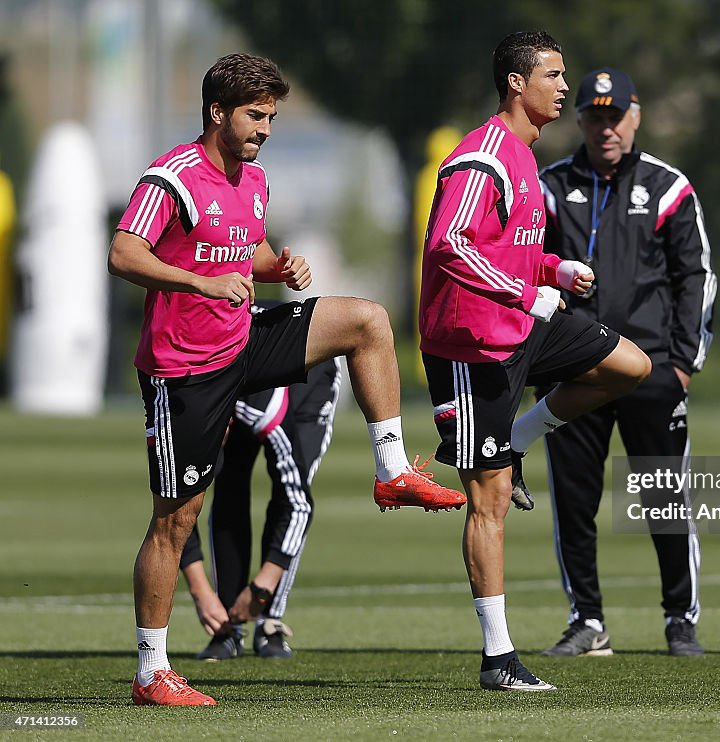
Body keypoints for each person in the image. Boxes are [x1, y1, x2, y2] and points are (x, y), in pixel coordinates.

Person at [108, 53, 467, 707]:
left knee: (366, 320)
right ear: (217, 112)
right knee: (176, 521)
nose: (265, 128)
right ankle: (150, 672)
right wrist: (198, 280)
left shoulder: (254, 181)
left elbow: (242, 249)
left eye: (272, 116)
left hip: (241, 338)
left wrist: (279, 266)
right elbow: (124, 252)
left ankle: (391, 470)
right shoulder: (173, 176)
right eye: (255, 115)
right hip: (183, 370)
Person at [419, 32, 652, 692]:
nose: (562, 85)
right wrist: (528, 289)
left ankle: (520, 437)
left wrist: (555, 267)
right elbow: (448, 247)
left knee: (631, 366)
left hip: (522, 327)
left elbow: (509, 249)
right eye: (553, 74)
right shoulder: (483, 158)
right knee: (488, 502)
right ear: (516, 85)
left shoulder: (524, 158)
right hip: (471, 348)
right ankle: (498, 659)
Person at [535, 68, 716, 657]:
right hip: (575, 367)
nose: (605, 127)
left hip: (651, 366)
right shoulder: (551, 185)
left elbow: (696, 277)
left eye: (615, 116)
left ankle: (679, 619)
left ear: (635, 116)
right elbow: (525, 266)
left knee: (664, 498)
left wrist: (683, 362)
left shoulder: (667, 187)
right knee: (574, 500)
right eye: (593, 116)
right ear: (580, 120)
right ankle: (587, 620)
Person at [179, 350, 345, 660]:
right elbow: (173, 506)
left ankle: (270, 621)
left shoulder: (264, 412)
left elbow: (298, 504)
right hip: (229, 378)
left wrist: (262, 587)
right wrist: (201, 593)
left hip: (307, 374)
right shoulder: (180, 414)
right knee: (223, 485)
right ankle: (227, 628)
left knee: (290, 489)